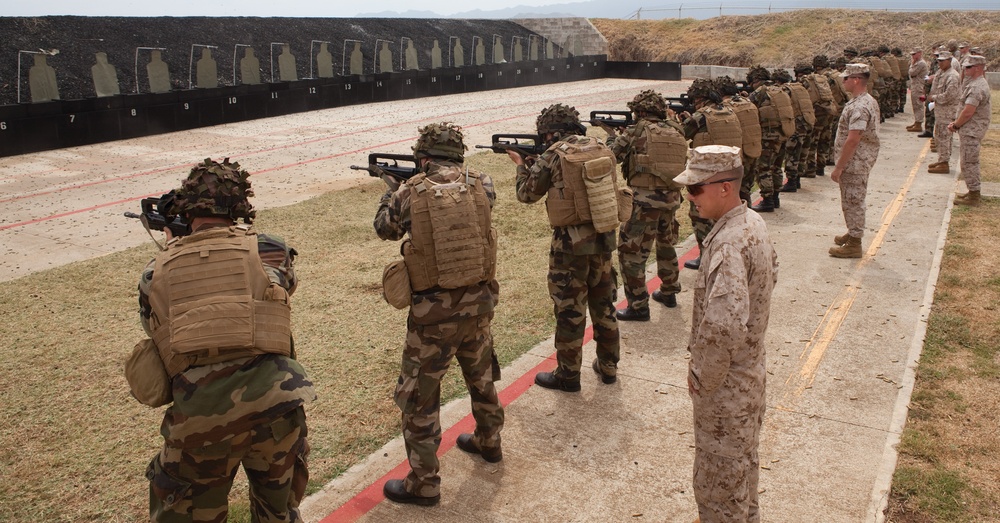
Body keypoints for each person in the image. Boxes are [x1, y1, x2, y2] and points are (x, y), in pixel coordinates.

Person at [135, 158, 314, 522]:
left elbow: (153, 326)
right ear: (239, 207)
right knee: (276, 514)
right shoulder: (271, 250)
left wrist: (176, 247)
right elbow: (284, 287)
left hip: (200, 421)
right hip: (277, 410)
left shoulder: (157, 270)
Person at [374, 123, 504, 505]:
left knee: (420, 398)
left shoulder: (409, 192)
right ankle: (489, 441)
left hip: (433, 318)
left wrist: (389, 192)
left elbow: (385, 228)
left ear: (423, 156)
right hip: (479, 306)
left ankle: (424, 483)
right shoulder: (484, 183)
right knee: (481, 380)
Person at [673, 145, 778, 523]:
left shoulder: (729, 243)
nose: (690, 197)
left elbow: (723, 326)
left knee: (718, 486)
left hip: (726, 390)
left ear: (724, 188)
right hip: (749, 376)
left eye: (696, 188)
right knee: (741, 471)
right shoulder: (751, 224)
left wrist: (702, 378)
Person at [508, 103, 621, 390]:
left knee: (570, 311)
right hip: (603, 239)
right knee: (604, 305)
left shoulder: (553, 154)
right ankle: (608, 367)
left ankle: (568, 375)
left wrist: (522, 166)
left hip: (569, 247)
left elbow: (527, 194)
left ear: (551, 133)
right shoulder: (600, 147)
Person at [600, 90, 688, 321]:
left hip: (643, 203)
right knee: (666, 245)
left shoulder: (636, 131)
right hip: (671, 200)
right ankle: (669, 291)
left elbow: (611, 157)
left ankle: (638, 305)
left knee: (632, 254)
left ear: (639, 111)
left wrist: (611, 136)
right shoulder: (676, 129)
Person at [679, 79, 743, 268]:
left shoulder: (701, 116)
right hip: (730, 172)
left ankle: (706, 257)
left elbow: (682, 134)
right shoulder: (731, 112)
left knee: (700, 217)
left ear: (700, 98)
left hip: (708, 175)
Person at [830, 64, 881, 259]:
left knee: (853, 200)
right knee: (851, 198)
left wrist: (839, 167)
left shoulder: (860, 106)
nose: (843, 82)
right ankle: (853, 232)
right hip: (859, 159)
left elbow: (853, 139)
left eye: (846, 78)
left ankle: (855, 243)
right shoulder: (865, 100)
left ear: (856, 80)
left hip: (855, 162)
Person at [745, 65, 794, 209]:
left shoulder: (760, 92)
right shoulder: (780, 90)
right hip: (784, 133)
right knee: (777, 166)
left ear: (756, 80)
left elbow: (748, 108)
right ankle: (775, 197)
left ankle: (767, 200)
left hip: (768, 136)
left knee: (764, 168)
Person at [947, 55, 992, 206]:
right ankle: (972, 192)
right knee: (968, 160)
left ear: (978, 68)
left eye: (969, 67)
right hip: (970, 129)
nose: (965, 69)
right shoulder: (974, 83)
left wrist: (956, 125)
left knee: (969, 161)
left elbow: (968, 111)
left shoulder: (976, 86)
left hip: (971, 130)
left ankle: (974, 194)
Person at [927, 51, 961, 174]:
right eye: (939, 61)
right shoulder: (941, 73)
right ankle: (941, 159)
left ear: (949, 61)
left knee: (945, 137)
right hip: (940, 111)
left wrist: (935, 97)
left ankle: (944, 162)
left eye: (942, 61)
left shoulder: (952, 76)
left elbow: (949, 95)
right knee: (939, 136)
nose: (940, 63)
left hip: (948, 112)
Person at [906, 48, 930, 132]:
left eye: (914, 54)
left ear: (919, 53)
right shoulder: (917, 62)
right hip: (915, 86)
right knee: (915, 105)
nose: (913, 56)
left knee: (918, 105)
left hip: (919, 86)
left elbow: (912, 73)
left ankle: (919, 123)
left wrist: (912, 65)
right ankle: (916, 122)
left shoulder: (920, 63)